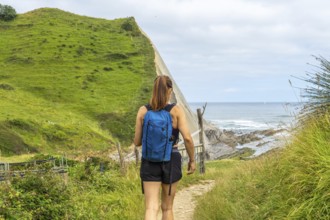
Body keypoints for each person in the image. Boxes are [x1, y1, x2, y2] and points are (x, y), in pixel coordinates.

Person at [134, 75, 196, 220]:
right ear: (170, 91)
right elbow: (187, 138)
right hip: (171, 159)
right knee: (167, 208)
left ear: (154, 90)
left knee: (151, 207)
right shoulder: (176, 111)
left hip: (149, 161)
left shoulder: (143, 111)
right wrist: (192, 160)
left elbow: (137, 141)